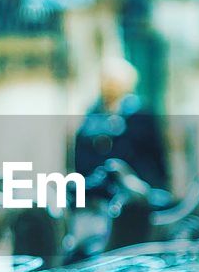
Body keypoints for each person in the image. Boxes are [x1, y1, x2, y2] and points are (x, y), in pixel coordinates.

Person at [73, 58, 170, 190]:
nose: (109, 85)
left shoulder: (139, 114)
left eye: (114, 81)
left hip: (135, 187)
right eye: (105, 79)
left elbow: (155, 156)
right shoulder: (91, 116)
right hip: (97, 188)